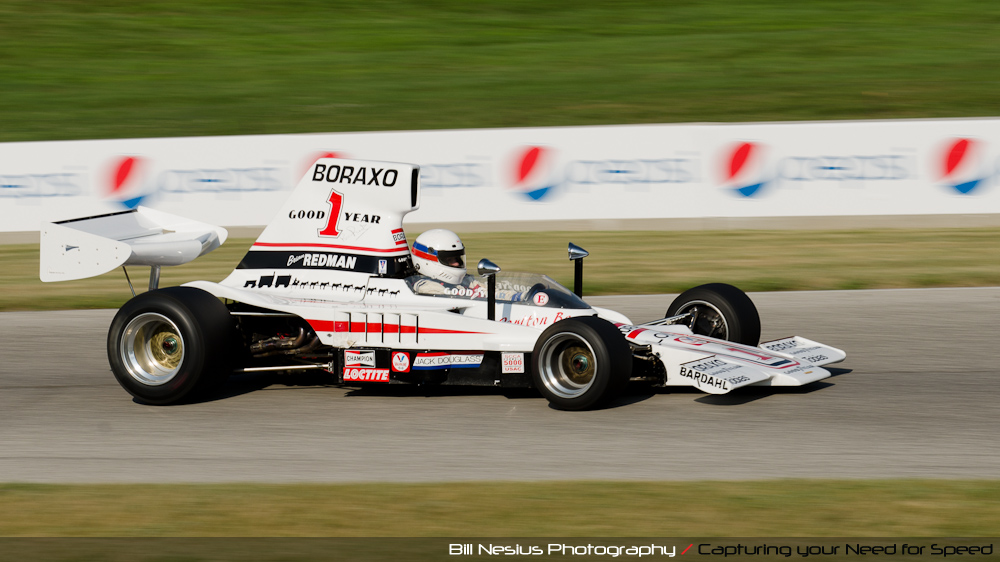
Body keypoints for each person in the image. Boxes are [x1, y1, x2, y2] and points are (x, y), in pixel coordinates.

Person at [409, 229, 485, 297]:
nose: (457, 264)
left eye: (457, 259)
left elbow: (487, 290)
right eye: (449, 260)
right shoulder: (427, 288)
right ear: (428, 261)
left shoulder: (465, 280)